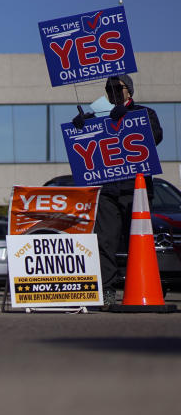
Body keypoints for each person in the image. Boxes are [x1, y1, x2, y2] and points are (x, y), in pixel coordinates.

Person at [71, 74, 162, 307]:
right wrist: (80, 126)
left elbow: (155, 136)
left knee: (138, 243)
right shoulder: (98, 116)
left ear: (129, 91)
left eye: (116, 87)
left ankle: (141, 286)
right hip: (109, 191)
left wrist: (130, 117)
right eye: (108, 88)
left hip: (136, 192)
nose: (112, 92)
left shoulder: (145, 113)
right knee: (106, 242)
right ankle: (107, 291)